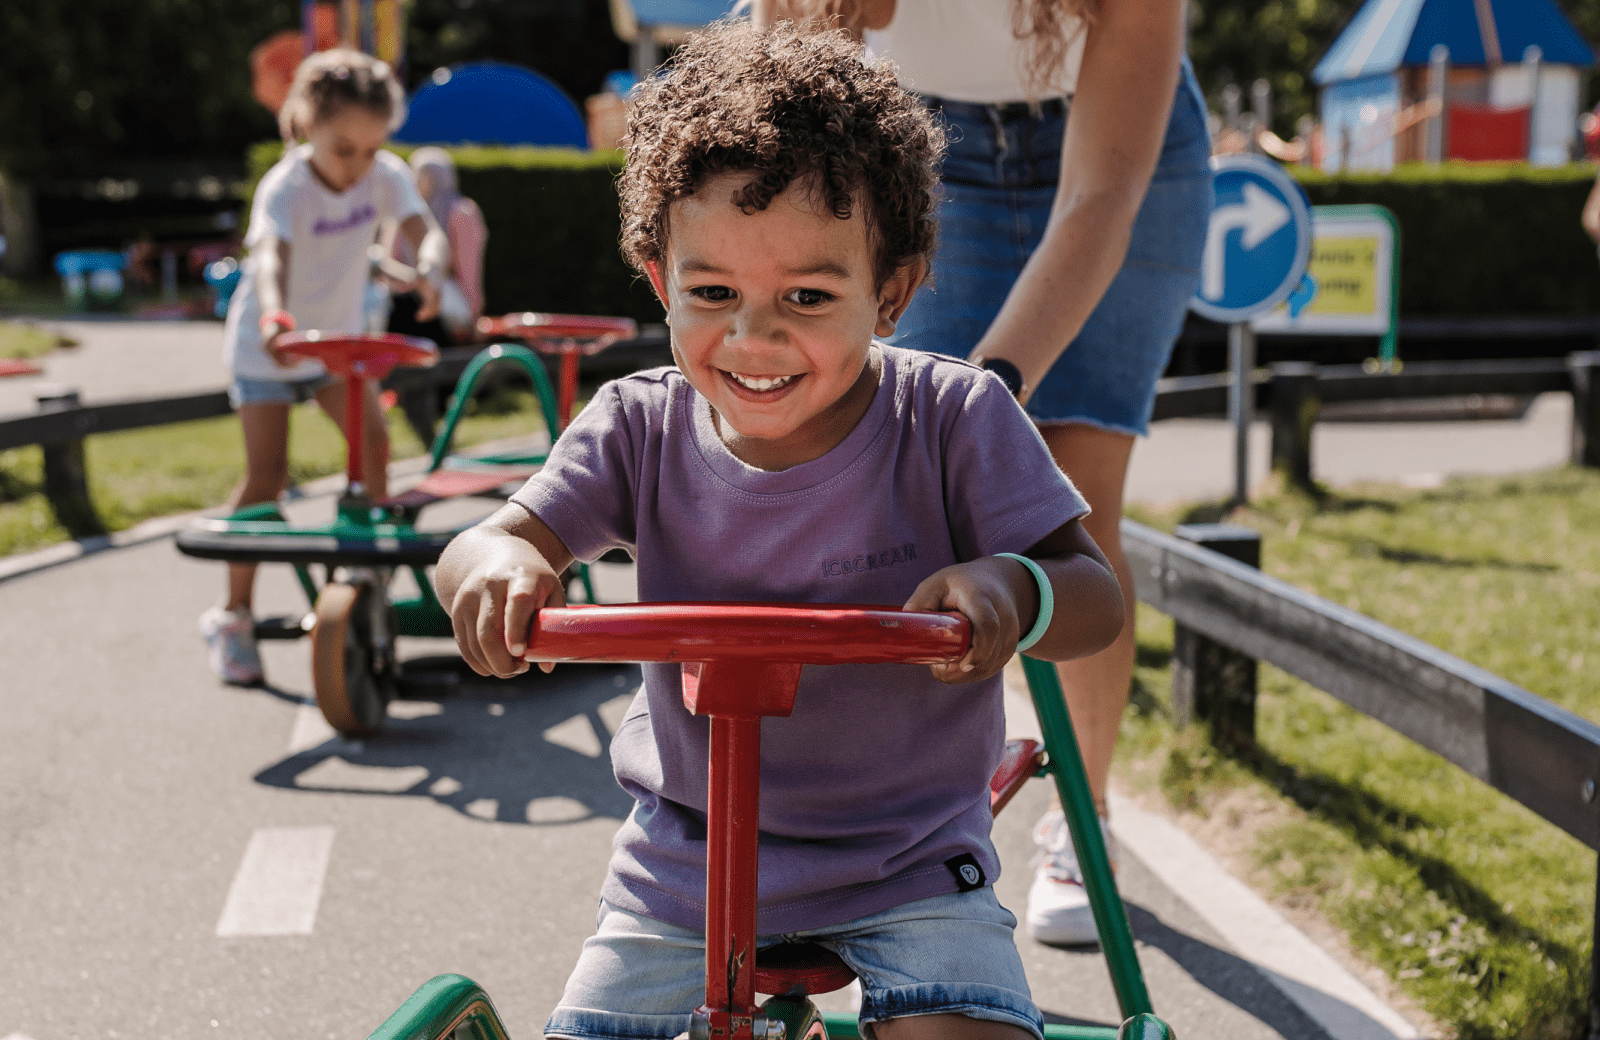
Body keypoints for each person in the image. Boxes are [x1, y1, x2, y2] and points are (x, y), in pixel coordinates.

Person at [434, 22, 1126, 1040]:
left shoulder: (954, 418)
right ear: (660, 279)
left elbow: (1094, 595)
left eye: (806, 296)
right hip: (685, 858)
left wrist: (1014, 588)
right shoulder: (639, 423)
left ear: (891, 291)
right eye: (713, 293)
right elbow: (491, 536)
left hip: (910, 856)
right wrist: (499, 561)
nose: (754, 338)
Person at [754, 0, 1214, 945]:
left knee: (1069, 492)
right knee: (897, 484)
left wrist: (981, 398)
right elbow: (799, 151)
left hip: (1124, 166)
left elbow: (1100, 199)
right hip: (922, 139)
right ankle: (866, 822)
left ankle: (1082, 824)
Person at [199, 48, 447, 686]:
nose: (358, 164)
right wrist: (276, 319)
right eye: (344, 149)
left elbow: (425, 230)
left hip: (335, 346)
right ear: (307, 124)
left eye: (371, 148)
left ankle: (362, 572)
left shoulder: (383, 176)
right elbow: (271, 260)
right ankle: (233, 616)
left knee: (374, 449)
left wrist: (431, 265)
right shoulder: (287, 186)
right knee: (267, 477)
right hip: (271, 345)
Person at [384, 147, 489, 344]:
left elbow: (468, 273)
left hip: (441, 312)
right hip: (404, 303)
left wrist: (474, 317)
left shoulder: (460, 214)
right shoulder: (402, 214)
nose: (414, 181)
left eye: (420, 175)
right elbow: (388, 260)